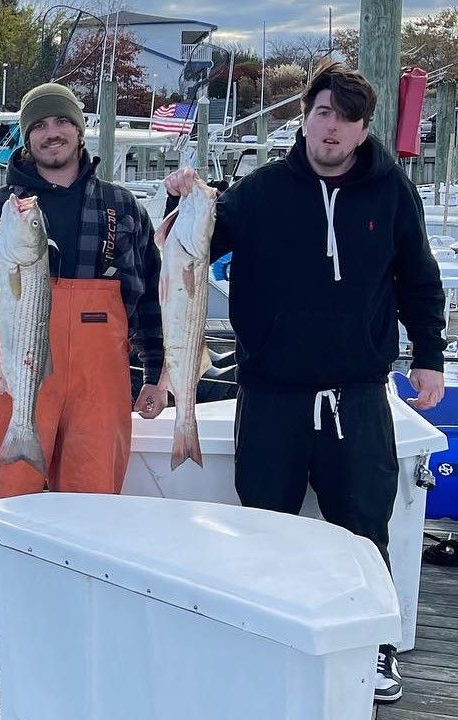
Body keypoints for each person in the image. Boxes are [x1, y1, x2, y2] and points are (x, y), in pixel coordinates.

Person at [164, 60, 445, 704]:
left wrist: (429, 353)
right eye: (323, 113)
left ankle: (370, 649)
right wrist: (183, 196)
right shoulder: (261, 191)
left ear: (362, 128)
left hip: (356, 394)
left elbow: (420, 278)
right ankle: (268, 639)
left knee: (363, 527)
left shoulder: (392, 193)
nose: (333, 130)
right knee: (266, 521)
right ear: (306, 116)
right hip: (273, 393)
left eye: (346, 119)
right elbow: (193, 244)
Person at [0, 83, 167, 666]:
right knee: (1, 491)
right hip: (20, 372)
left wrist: (155, 373)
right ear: (27, 137)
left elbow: (146, 300)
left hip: (100, 379)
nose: (52, 134)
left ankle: (82, 624)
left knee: (93, 497)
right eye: (40, 126)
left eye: (61, 124)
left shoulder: (121, 207)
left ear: (79, 130)